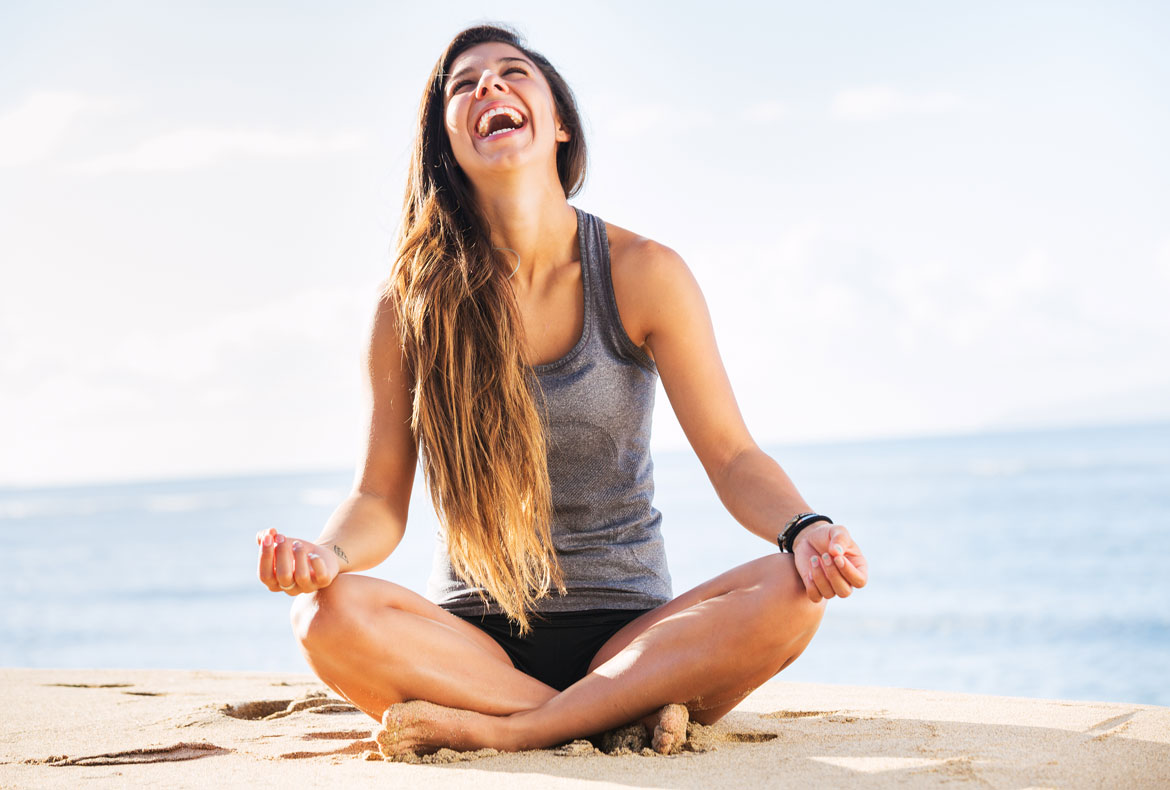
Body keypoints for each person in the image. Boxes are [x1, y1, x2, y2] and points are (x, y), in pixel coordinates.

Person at [254, 23, 868, 758]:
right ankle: (605, 714)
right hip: (474, 648)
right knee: (321, 616)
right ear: (447, 142)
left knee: (795, 593)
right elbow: (378, 497)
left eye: (512, 72)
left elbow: (733, 456)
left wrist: (805, 530)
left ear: (561, 124)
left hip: (633, 636)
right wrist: (327, 555)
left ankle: (512, 730)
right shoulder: (408, 305)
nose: (488, 85)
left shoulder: (644, 272)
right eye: (463, 85)